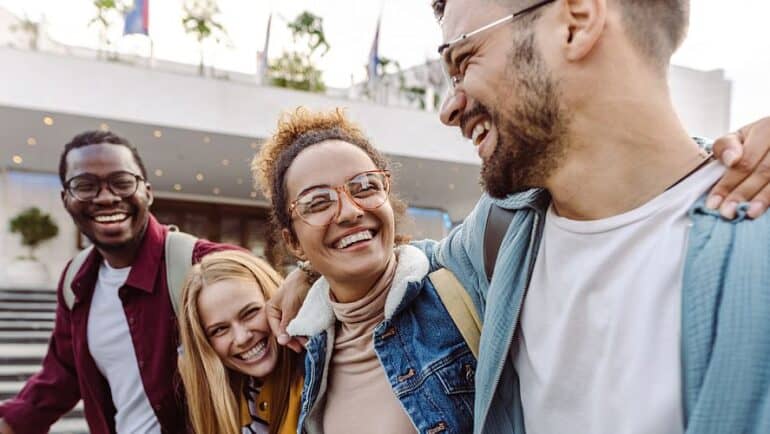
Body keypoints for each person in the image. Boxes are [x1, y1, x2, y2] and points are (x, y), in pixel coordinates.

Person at [268, 2, 770, 434]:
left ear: (575, 22)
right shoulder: (500, 237)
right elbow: (395, 266)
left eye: (464, 60)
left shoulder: (751, 252)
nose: (449, 107)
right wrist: (310, 278)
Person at [252, 108, 477, 434]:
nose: (349, 212)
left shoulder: (457, 277)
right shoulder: (305, 351)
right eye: (317, 202)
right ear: (293, 242)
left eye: (365, 187)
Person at [0, 131, 236, 434]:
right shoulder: (77, 280)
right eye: (85, 186)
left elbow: (274, 303)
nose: (107, 197)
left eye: (122, 182)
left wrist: (301, 277)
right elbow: (61, 374)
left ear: (147, 192)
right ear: (66, 199)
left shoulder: (200, 263)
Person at [177, 250, 303, 434]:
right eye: (219, 329)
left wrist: (307, 274)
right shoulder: (224, 398)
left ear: (275, 298)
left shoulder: (320, 373)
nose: (242, 338)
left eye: (250, 313)